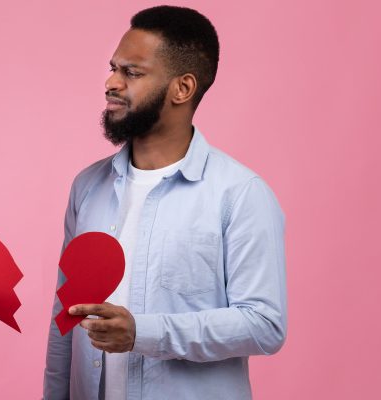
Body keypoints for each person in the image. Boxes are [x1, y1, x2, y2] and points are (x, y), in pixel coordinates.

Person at [44, 6, 286, 400]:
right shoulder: (88, 186)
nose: (111, 82)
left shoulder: (240, 193)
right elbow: (65, 319)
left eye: (131, 72)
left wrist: (143, 333)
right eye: (113, 68)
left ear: (183, 88)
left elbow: (263, 324)